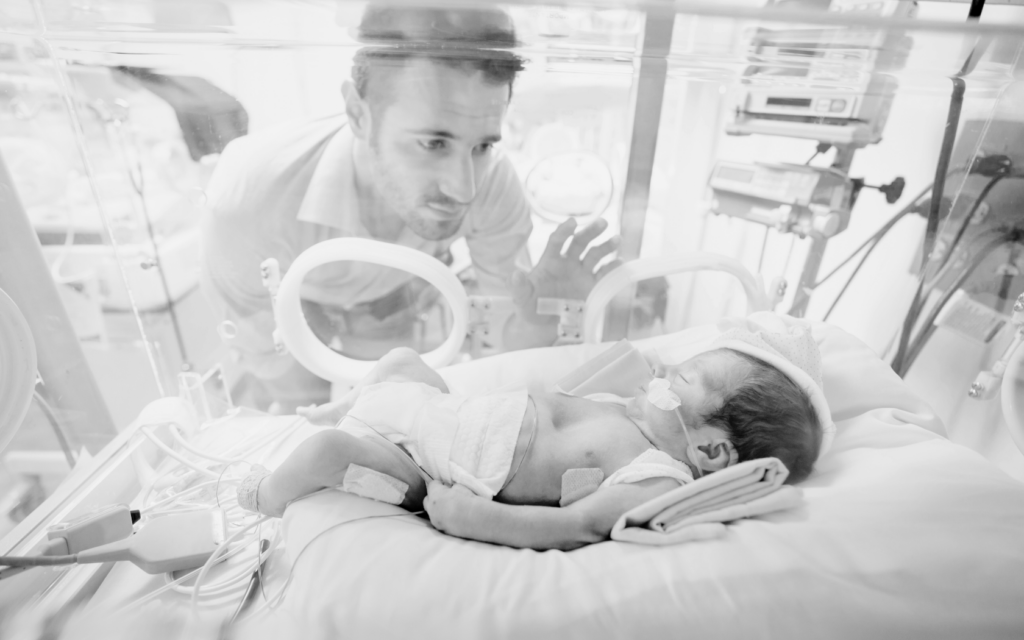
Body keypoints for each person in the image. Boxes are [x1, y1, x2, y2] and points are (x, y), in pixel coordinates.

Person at [200, 6, 620, 411]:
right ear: (358, 114)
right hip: (290, 313)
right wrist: (302, 410)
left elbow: (499, 339)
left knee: (400, 409)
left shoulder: (493, 182)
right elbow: (258, 340)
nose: (463, 187)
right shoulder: (252, 194)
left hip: (397, 304)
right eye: (433, 143)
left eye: (483, 145)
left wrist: (539, 320)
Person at [237, 314, 830, 550]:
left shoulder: (656, 475)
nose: (665, 371)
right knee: (398, 360)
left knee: (327, 452)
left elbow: (577, 525)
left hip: (429, 467)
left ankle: (267, 495)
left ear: (711, 448)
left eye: (686, 376)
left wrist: (475, 519)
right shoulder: (629, 409)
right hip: (439, 413)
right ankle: (347, 405)